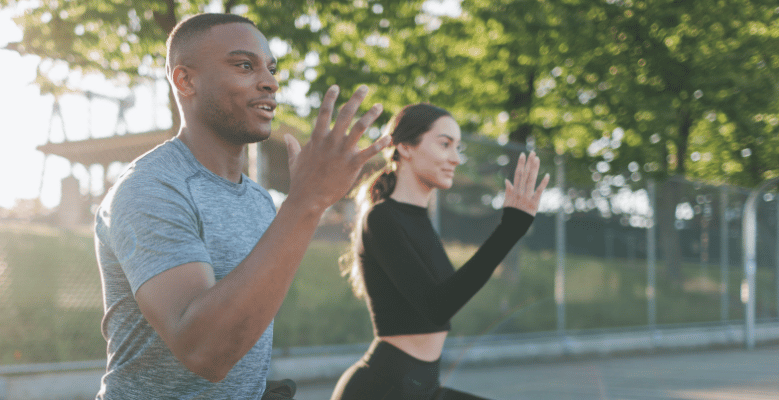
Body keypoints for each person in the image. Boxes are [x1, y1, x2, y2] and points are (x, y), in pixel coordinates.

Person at [93, 13, 390, 399]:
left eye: (271, 68)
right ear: (186, 80)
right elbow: (206, 354)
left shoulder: (259, 200)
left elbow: (247, 321)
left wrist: (305, 206)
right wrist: (306, 202)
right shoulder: (150, 189)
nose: (270, 82)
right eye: (244, 66)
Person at [330, 104, 550, 400]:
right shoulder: (381, 219)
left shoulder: (420, 221)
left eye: (458, 147)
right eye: (445, 144)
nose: (456, 159)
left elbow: (449, 294)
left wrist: (512, 226)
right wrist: (510, 229)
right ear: (406, 147)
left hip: (422, 386)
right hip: (382, 389)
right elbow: (437, 307)